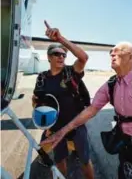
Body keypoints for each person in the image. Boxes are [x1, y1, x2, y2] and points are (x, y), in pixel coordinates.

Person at [40, 41, 132, 179]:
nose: (112, 54)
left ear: (130, 57)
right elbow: (91, 110)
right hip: (126, 144)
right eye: (111, 52)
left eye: (118, 51)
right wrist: (63, 131)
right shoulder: (111, 84)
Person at [32, 21, 94, 179]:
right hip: (56, 127)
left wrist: (60, 39)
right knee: (59, 161)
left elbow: (83, 57)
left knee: (85, 161)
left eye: (63, 54)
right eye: (56, 54)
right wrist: (44, 124)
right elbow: (37, 100)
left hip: (76, 126)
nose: (61, 57)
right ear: (48, 57)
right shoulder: (42, 77)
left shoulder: (70, 72)